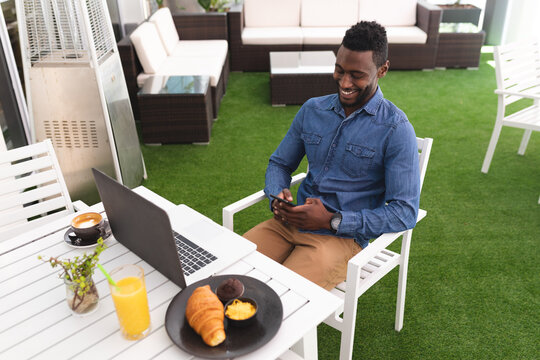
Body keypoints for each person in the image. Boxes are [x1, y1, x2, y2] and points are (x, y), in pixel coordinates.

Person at [244, 21, 420, 290]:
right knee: (233, 272)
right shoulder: (312, 109)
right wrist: (276, 196)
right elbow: (279, 163)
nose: (345, 82)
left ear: (382, 70)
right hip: (289, 223)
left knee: (281, 294)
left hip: (342, 239)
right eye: (340, 70)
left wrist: (331, 220)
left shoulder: (396, 129)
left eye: (357, 75)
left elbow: (405, 212)